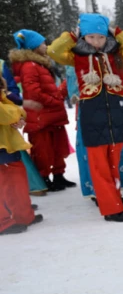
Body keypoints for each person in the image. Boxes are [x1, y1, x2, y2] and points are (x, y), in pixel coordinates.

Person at [47, 13, 123, 222]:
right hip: (93, 115)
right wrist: (72, 36)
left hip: (118, 114)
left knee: (113, 162)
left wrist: (116, 32)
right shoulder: (76, 56)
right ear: (83, 37)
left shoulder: (118, 54)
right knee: (99, 165)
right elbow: (53, 51)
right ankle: (111, 209)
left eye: (100, 37)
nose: (96, 42)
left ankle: (115, 200)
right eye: (90, 37)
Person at [9, 29, 75, 192]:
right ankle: (43, 177)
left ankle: (59, 175)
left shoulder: (39, 64)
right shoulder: (29, 66)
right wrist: (54, 101)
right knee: (42, 150)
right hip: (41, 116)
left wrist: (61, 91)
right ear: (34, 47)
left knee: (58, 146)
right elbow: (33, 92)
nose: (46, 46)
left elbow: (48, 89)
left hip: (51, 115)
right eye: (42, 43)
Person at [0, 76, 43, 235]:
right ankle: (3, 222)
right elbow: (5, 113)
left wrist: (16, 115)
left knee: (16, 182)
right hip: (3, 143)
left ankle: (23, 216)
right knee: (5, 185)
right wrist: (16, 114)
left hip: (7, 142)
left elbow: (8, 108)